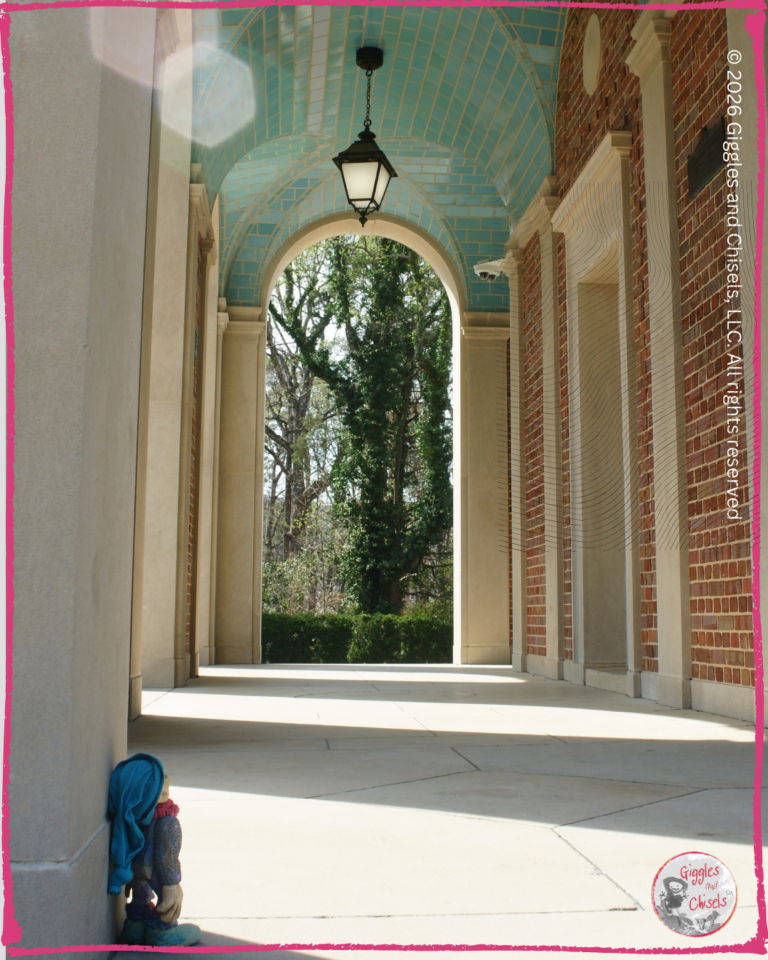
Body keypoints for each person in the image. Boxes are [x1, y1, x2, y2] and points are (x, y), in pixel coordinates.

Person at [108, 754, 201, 947]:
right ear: (161, 795)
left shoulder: (130, 817)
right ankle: (162, 933)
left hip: (134, 870)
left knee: (140, 897)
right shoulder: (168, 822)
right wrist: (172, 884)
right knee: (165, 903)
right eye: (165, 789)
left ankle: (135, 928)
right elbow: (167, 856)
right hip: (155, 872)